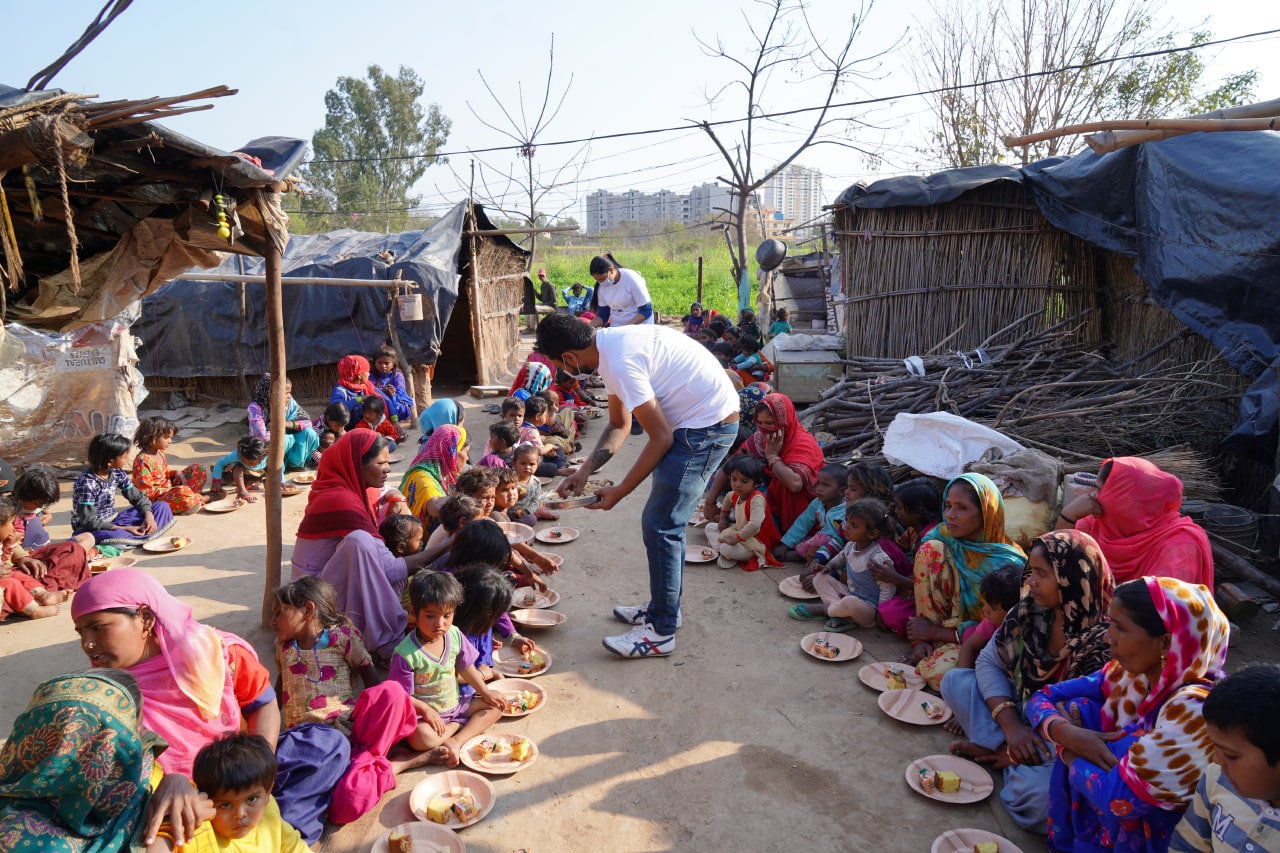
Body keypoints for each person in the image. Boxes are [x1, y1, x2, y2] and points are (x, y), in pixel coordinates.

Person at [537, 312, 738, 657]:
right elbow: (618, 423)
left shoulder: (621, 361)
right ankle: (665, 608)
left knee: (661, 525)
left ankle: (661, 631)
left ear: (570, 357)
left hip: (706, 427)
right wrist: (584, 471)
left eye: (562, 365)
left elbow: (659, 438)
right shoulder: (609, 349)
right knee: (663, 521)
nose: (566, 372)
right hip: (695, 423)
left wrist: (619, 492)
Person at [1026, 577, 1230, 853]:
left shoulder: (1195, 712)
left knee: (1117, 737)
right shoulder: (1128, 675)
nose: (1109, 637)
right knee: (1081, 706)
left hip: (1144, 841)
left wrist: (1068, 749)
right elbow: (1042, 696)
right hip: (1104, 821)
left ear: (1166, 642)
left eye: (1120, 628)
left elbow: (1118, 799)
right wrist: (1067, 732)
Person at [941, 530, 1115, 833]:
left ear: (1072, 578)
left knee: (1041, 805)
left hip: (1059, 738)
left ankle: (1004, 757)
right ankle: (1013, 757)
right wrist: (1012, 726)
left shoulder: (1105, 643)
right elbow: (987, 662)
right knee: (956, 680)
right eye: (1031, 571)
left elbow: (1084, 727)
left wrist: (1014, 747)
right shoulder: (1027, 611)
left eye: (1042, 574)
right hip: (1018, 713)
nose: (1031, 581)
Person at [70, 569, 280, 779]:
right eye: (81, 633)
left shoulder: (216, 655)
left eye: (98, 627)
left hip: (232, 788)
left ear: (145, 618)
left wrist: (260, 769)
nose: (87, 644)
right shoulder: (100, 690)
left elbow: (263, 704)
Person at [0, 671, 214, 852]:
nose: (141, 742)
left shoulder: (130, 784)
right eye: (134, 731)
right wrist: (164, 835)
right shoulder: (15, 834)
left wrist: (175, 781)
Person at [292, 431, 453, 659]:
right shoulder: (341, 500)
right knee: (362, 542)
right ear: (357, 465)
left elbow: (386, 492)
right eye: (381, 463)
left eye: (388, 462)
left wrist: (397, 497)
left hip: (322, 582)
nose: (388, 469)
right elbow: (392, 570)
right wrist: (449, 544)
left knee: (370, 541)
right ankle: (383, 639)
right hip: (309, 595)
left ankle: (373, 628)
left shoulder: (348, 485)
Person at [270, 578, 415, 827]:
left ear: (307, 610)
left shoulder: (342, 638)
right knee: (337, 803)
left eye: (280, 613)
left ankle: (383, 761)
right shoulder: (284, 647)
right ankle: (369, 771)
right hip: (303, 744)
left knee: (392, 692)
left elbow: (374, 685)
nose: (273, 622)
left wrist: (407, 708)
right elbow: (278, 691)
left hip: (345, 736)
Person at [907, 473, 1025, 676]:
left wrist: (941, 633)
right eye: (948, 505)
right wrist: (921, 638)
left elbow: (1000, 628)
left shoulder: (1008, 564)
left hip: (978, 640)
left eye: (962, 508)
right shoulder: (943, 535)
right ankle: (927, 644)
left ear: (986, 514)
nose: (950, 514)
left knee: (938, 674)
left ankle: (939, 646)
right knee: (930, 549)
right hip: (943, 627)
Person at [391, 571, 508, 767]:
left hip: (457, 704)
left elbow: (466, 667)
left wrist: (485, 691)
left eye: (447, 615)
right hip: (427, 717)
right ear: (413, 612)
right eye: (430, 616)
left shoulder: (454, 634)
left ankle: (455, 740)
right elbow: (401, 696)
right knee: (421, 739)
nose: (439, 623)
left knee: (498, 705)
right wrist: (426, 710)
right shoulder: (405, 654)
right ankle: (460, 728)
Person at [1170, 665, 1280, 853]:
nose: (1217, 760)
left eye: (1231, 755)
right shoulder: (1217, 780)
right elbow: (1188, 843)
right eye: (1215, 747)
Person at [1058, 456, 1213, 588]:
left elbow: (1158, 610)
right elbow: (1054, 564)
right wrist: (1068, 515)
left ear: (1125, 500)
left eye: (1100, 490)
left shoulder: (1180, 545)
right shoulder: (1098, 525)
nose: (1093, 497)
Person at [703, 393, 825, 535]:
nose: (763, 428)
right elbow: (732, 464)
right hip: (770, 502)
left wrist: (772, 456)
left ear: (784, 421)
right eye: (760, 423)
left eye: (769, 423)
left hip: (798, 513)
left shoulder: (803, 444)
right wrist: (710, 502)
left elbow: (795, 484)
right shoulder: (762, 437)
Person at [787, 497, 901, 631]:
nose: (846, 527)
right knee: (820, 577)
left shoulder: (878, 558)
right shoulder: (851, 545)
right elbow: (839, 559)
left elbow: (888, 588)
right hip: (851, 595)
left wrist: (881, 614)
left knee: (850, 603)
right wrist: (827, 567)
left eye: (854, 525)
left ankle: (824, 609)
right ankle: (839, 614)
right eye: (847, 521)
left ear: (872, 534)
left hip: (869, 610)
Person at [192, 734, 308, 852]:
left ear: (268, 793)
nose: (240, 814)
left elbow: (294, 846)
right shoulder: (203, 838)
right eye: (225, 805)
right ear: (207, 804)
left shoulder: (268, 812)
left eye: (251, 799)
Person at [72, 433, 174, 546]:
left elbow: (137, 496)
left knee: (162, 506)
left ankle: (136, 537)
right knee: (109, 535)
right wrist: (125, 528)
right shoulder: (87, 483)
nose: (127, 459)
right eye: (124, 457)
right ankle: (139, 536)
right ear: (110, 461)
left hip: (114, 519)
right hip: (92, 528)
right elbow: (88, 521)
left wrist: (148, 515)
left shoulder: (116, 472)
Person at [0, 495, 88, 620]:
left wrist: (22, 557)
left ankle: (41, 595)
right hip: (5, 582)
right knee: (11, 584)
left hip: (14, 569)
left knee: (70, 550)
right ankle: (34, 610)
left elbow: (6, 556)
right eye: (10, 524)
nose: (13, 528)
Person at [705, 456, 781, 571]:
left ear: (756, 483)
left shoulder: (756, 500)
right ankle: (727, 553)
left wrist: (734, 539)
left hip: (756, 540)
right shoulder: (736, 494)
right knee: (710, 527)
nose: (737, 485)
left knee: (726, 548)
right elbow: (727, 499)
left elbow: (754, 526)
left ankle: (724, 552)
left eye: (744, 481)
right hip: (739, 531)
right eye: (733, 479)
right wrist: (722, 519)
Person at [132, 416, 208, 514]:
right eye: (166, 437)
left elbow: (162, 473)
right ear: (151, 437)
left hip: (170, 489)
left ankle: (193, 498)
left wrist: (174, 473)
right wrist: (170, 489)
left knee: (198, 468)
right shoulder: (142, 461)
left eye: (170, 437)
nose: (170, 441)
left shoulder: (160, 451)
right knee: (182, 492)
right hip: (156, 499)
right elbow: (146, 492)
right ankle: (202, 498)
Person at [247, 375, 321, 472]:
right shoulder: (255, 408)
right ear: (272, 393)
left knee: (309, 433)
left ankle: (295, 465)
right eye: (286, 393)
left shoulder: (290, 404)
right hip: (265, 449)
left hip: (288, 440)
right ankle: (273, 468)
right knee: (282, 439)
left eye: (289, 392)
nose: (289, 396)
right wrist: (278, 430)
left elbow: (307, 422)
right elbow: (262, 437)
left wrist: (284, 424)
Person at [401, 425, 469, 524]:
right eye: (466, 452)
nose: (467, 458)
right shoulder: (422, 477)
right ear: (452, 453)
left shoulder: (441, 472)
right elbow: (435, 506)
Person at [588, 254, 654, 327]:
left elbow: (646, 310)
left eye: (602, 279)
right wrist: (587, 328)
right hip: (618, 326)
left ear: (611, 270)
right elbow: (603, 315)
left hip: (640, 326)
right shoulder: (602, 287)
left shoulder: (632, 280)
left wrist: (626, 328)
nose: (600, 282)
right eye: (597, 280)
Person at [210, 436, 271, 503]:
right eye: (246, 461)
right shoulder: (236, 455)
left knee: (269, 468)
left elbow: (278, 467)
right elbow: (220, 463)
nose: (249, 464)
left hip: (252, 476)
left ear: (261, 458)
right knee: (238, 466)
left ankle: (247, 485)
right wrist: (216, 481)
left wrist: (281, 481)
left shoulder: (266, 457)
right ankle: (242, 491)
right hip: (234, 476)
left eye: (251, 463)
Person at [369, 344, 415, 426]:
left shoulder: (397, 375)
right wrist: (382, 393)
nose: (383, 366)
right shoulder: (371, 375)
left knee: (402, 407)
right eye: (380, 362)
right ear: (375, 363)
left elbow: (401, 392)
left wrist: (392, 393)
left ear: (393, 363)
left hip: (394, 400)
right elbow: (369, 390)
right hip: (377, 401)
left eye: (387, 363)